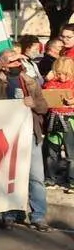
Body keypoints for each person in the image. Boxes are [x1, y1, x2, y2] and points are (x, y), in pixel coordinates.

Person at [0, 48, 51, 231]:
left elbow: (43, 108)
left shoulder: (29, 81)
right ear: (3, 63)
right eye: (12, 61)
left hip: (30, 134)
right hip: (9, 136)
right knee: (11, 176)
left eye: (19, 61)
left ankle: (38, 216)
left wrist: (34, 104)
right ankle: (10, 214)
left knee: (36, 178)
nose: (17, 64)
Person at [42, 56, 74, 192]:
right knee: (52, 151)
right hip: (54, 119)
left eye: (65, 74)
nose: (62, 77)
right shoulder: (52, 82)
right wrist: (47, 80)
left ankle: (72, 180)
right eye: (59, 73)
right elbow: (44, 94)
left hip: (70, 120)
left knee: (71, 152)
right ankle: (50, 178)